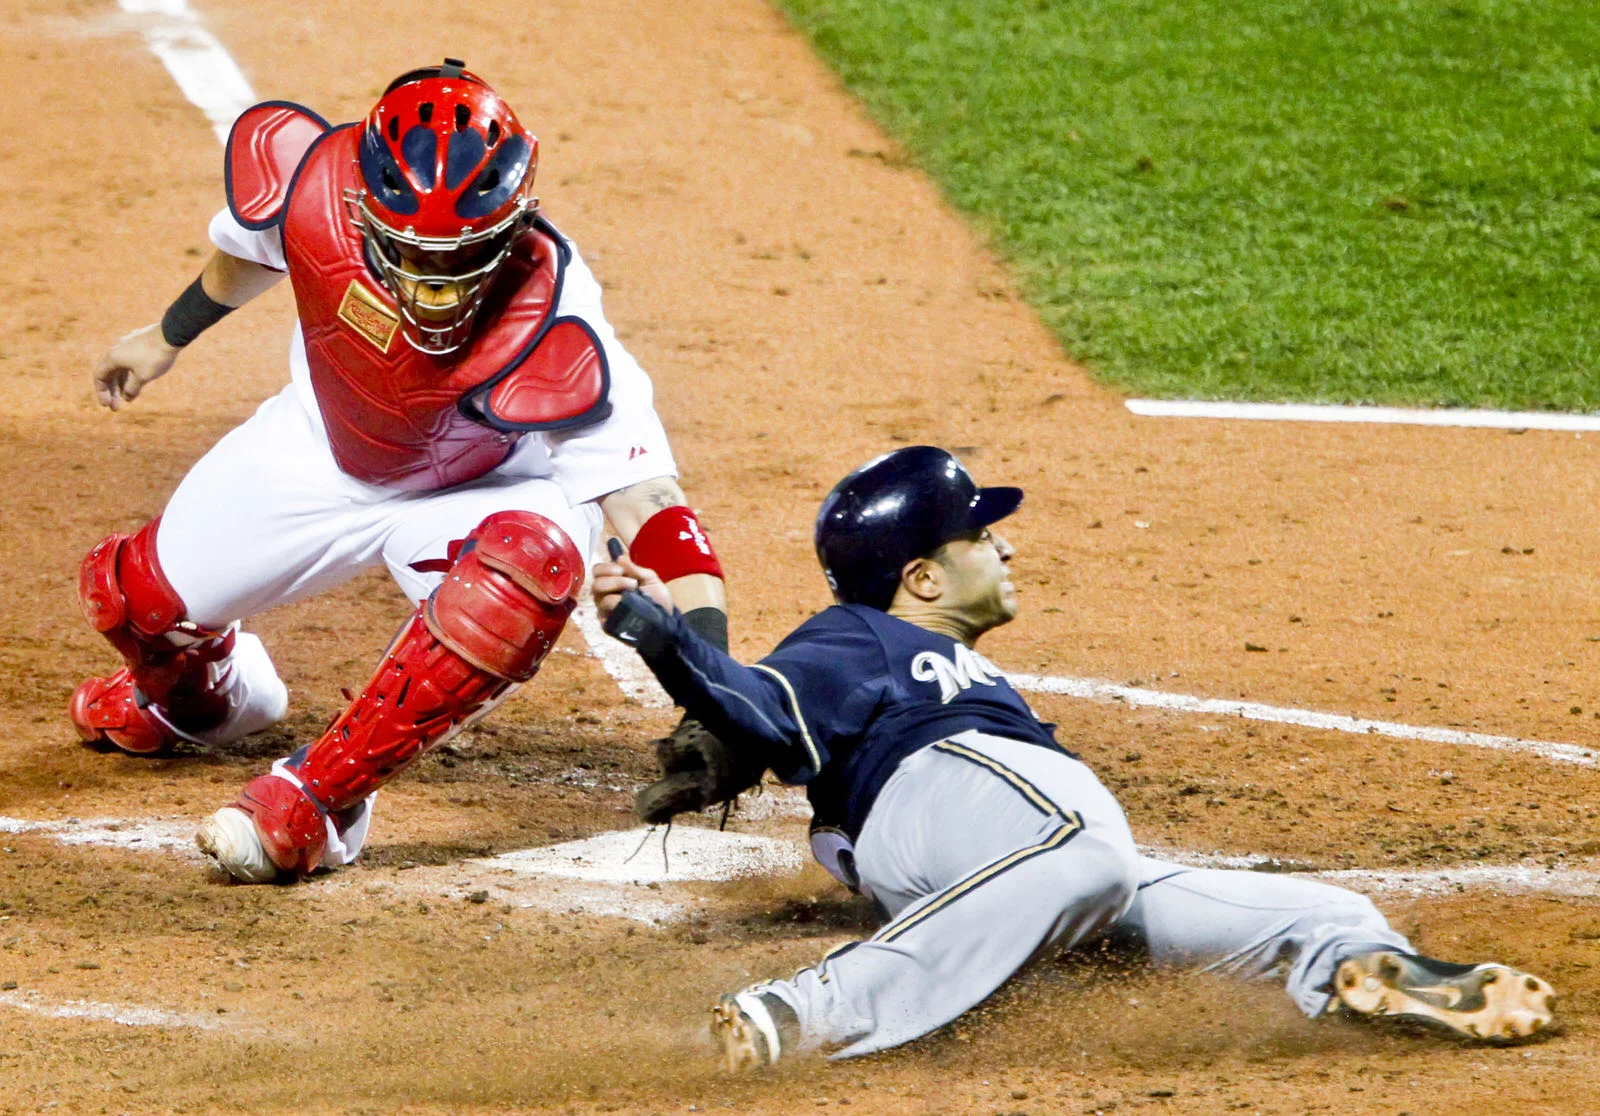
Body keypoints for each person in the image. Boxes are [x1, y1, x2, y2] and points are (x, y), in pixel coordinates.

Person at [594, 445, 1556, 1066]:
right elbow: (761, 703)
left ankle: (1368, 974)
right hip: (941, 803)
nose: (1003, 549)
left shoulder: (941, 657)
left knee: (1306, 912)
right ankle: (805, 1011)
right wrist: (665, 636)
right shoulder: (859, 635)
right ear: (922, 576)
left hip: (993, 855)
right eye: (981, 533)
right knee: (1086, 851)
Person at [73, 60, 738, 884]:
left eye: (462, 260)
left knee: (521, 579)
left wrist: (716, 681)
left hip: (483, 490)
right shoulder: (314, 185)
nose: (434, 286)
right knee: (131, 600)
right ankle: (211, 698)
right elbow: (251, 250)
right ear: (363, 207)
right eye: (412, 256)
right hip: (322, 447)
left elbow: (652, 504)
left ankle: (321, 799)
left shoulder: (555, 318)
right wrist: (167, 334)